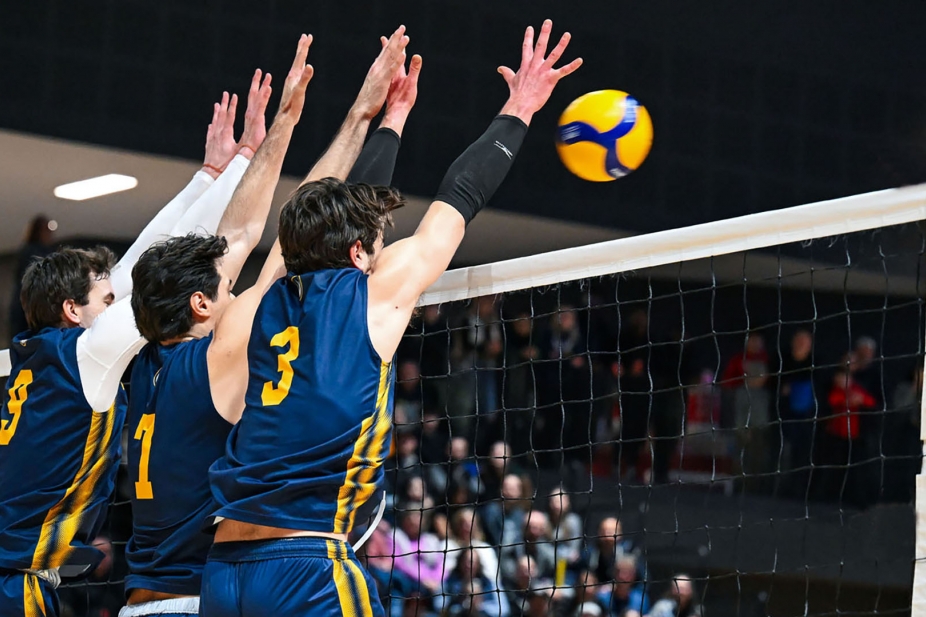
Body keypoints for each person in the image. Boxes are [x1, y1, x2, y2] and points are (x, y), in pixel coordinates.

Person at [201, 19, 581, 617]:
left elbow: (346, 214)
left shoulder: (255, 305)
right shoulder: (373, 296)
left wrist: (392, 119)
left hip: (223, 569)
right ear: (359, 253)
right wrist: (521, 108)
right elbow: (459, 198)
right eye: (375, 239)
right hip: (305, 563)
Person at [124, 30, 414, 617]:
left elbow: (235, 238)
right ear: (201, 306)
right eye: (226, 288)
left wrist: (276, 129)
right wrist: (361, 115)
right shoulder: (214, 357)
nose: (236, 290)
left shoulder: (141, 367)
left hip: (141, 601)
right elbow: (291, 240)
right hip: (196, 600)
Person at [0, 85, 255, 617]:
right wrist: (241, 164)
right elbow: (159, 267)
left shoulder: (38, 354)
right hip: (14, 585)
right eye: (107, 299)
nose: (118, 301)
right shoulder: (84, 357)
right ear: (74, 310)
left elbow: (137, 261)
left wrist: (207, 176)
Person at [8, 216, 56, 338]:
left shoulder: (28, 251)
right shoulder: (34, 252)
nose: (50, 234)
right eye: (47, 229)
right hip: (30, 306)